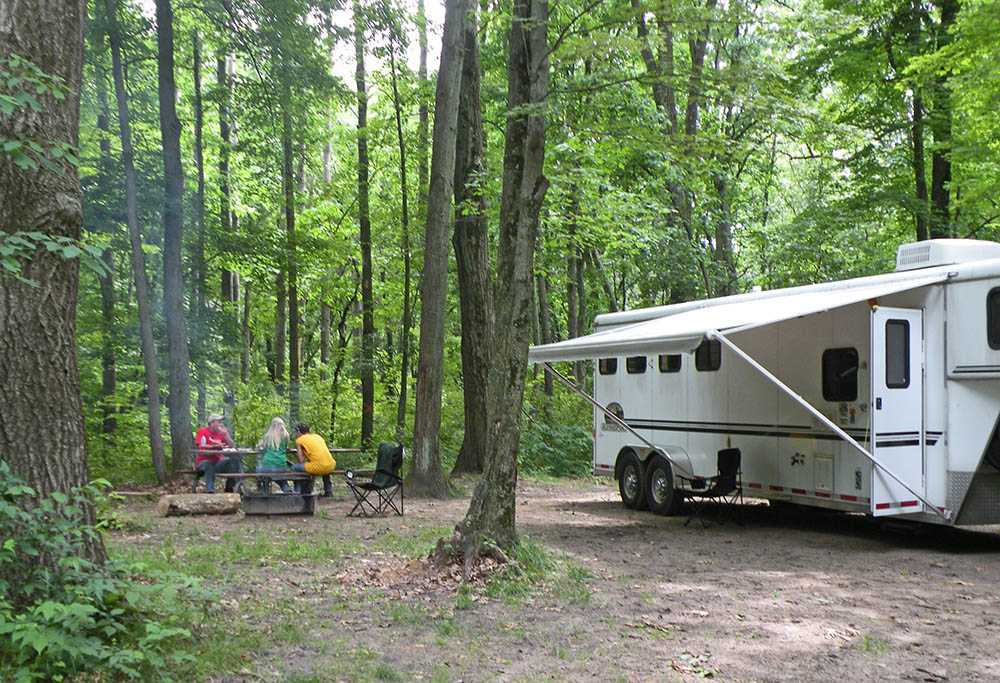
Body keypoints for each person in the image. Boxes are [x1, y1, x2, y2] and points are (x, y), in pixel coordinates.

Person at [194, 414, 239, 493]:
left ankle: (229, 488)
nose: (221, 424)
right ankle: (210, 490)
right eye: (218, 422)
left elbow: (232, 446)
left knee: (234, 461)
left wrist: (226, 435)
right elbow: (200, 447)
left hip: (218, 462)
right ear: (212, 423)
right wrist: (214, 446)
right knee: (208, 464)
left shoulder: (221, 433)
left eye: (221, 422)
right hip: (202, 463)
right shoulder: (202, 432)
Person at [292, 423, 336, 495]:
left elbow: (301, 460)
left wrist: (300, 453)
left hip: (319, 467)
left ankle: (297, 492)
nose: (296, 434)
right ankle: (328, 491)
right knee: (323, 464)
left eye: (296, 432)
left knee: (294, 467)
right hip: (331, 465)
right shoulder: (318, 437)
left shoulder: (299, 440)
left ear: (299, 432)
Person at [255, 417, 292, 494]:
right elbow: (285, 448)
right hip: (282, 466)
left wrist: (259, 446)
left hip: (268, 466)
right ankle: (286, 488)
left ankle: (263, 490)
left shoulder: (268, 436)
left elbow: (260, 447)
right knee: (280, 476)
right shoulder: (286, 435)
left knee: (258, 470)